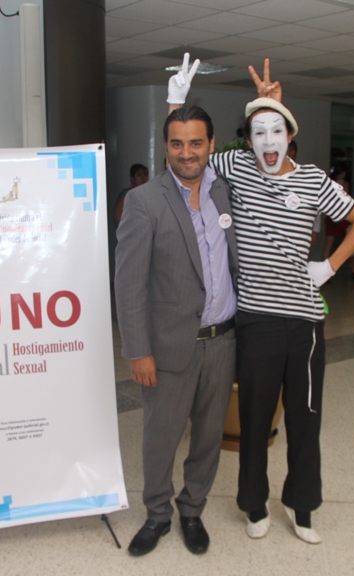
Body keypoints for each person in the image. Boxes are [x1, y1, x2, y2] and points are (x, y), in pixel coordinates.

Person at [167, 55, 354, 544]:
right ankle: (254, 505)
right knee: (255, 421)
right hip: (256, 321)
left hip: (304, 323)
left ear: (290, 137)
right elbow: (184, 158)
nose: (267, 142)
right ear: (247, 140)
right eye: (258, 133)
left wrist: (328, 266)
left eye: (276, 131)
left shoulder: (313, 179)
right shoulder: (237, 167)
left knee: (305, 420)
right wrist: (176, 101)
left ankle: (302, 507)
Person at [114, 95, 238, 556]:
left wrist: (268, 109)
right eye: (177, 144)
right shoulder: (143, 201)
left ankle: (192, 509)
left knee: (208, 437)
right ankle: (157, 514)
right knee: (160, 438)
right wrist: (138, 350)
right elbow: (128, 284)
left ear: (211, 145)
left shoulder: (226, 192)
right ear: (165, 147)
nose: (187, 153)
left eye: (196, 143)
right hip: (166, 347)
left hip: (222, 342)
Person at [325, 164, 354, 279]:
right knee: (349, 244)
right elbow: (346, 198)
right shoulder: (345, 184)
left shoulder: (329, 182)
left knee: (328, 246)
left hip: (331, 215)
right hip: (343, 216)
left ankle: (325, 273)